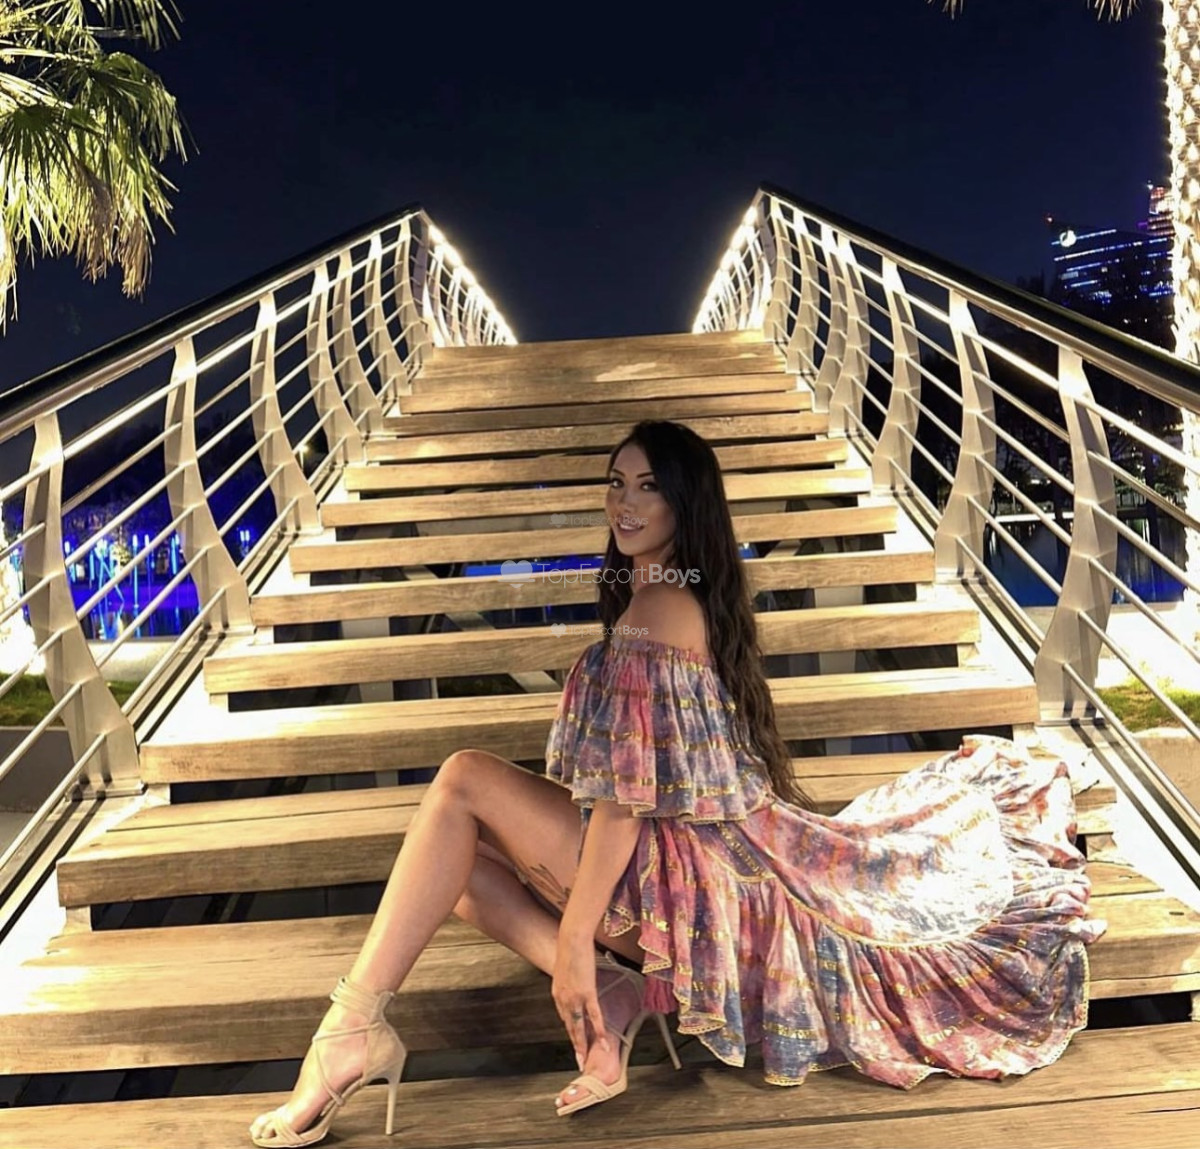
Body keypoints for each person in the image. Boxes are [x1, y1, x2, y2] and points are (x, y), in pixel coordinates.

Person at [249, 419, 1106, 1147]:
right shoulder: (669, 594)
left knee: (461, 780)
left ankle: (353, 1026)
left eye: (648, 487)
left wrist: (574, 941)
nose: (624, 503)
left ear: (683, 504)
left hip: (684, 880)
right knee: (449, 861)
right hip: (686, 867)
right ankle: (604, 993)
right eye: (616, 483)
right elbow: (634, 785)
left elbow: (625, 803)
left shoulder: (659, 611)